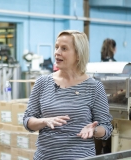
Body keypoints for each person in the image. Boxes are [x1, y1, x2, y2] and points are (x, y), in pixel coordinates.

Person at [23, 30, 113, 159]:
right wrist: (44, 121)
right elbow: (27, 121)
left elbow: (106, 128)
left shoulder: (94, 87)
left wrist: (93, 130)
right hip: (45, 157)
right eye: (56, 47)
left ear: (78, 54)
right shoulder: (42, 83)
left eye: (64, 48)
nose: (57, 52)